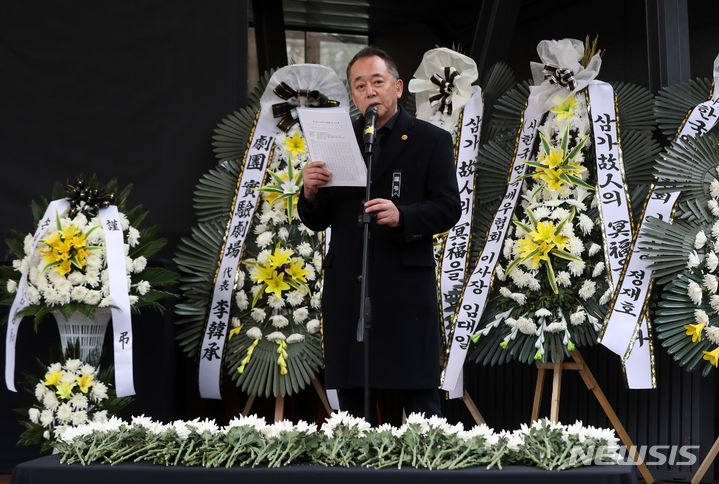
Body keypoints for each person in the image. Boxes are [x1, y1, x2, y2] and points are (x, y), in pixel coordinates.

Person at [298, 46, 461, 422]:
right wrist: (308, 191)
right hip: (349, 286)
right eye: (360, 85)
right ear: (352, 96)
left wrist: (402, 215)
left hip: (404, 286)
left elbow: (448, 207)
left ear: (398, 87)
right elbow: (319, 217)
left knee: (419, 400)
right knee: (354, 404)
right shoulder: (339, 140)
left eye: (378, 81)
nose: (370, 91)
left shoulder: (429, 140)